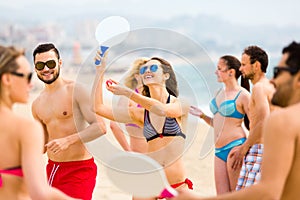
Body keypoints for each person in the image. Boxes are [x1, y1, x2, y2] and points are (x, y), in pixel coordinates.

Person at [167, 41, 300, 200]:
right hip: (222, 149)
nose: (274, 80)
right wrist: (203, 116)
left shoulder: (258, 98)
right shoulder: (286, 118)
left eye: (278, 71)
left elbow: (268, 191)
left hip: (239, 146)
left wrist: (245, 147)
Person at [92, 50, 193, 199]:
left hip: (177, 185)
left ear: (166, 75)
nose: (147, 71)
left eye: (153, 68)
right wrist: (100, 72)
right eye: (143, 69)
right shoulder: (140, 113)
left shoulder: (181, 104)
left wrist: (129, 93)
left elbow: (161, 110)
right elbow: (98, 108)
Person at [0, 45, 77, 199]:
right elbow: (40, 193)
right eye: (27, 76)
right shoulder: (25, 129)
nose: (31, 83)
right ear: (7, 79)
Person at [31, 43, 106, 200]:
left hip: (80, 170)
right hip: (52, 169)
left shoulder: (76, 90)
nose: (46, 69)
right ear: (35, 68)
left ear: (60, 63)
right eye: (40, 65)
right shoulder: (37, 104)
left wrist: (68, 140)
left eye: (50, 63)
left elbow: (100, 127)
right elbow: (41, 145)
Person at [189, 55, 250, 194]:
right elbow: (218, 124)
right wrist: (203, 116)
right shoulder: (219, 93)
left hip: (235, 147)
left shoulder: (243, 95)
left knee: (237, 194)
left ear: (231, 72)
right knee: (221, 195)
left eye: (219, 69)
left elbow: (257, 123)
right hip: (218, 150)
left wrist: (244, 148)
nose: (216, 72)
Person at [230, 45, 276, 191]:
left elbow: (264, 120)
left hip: (259, 149)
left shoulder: (259, 88)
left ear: (256, 66)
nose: (241, 69)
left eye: (244, 64)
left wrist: (245, 147)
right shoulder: (271, 86)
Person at [109, 57, 149, 153]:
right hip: (142, 156)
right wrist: (128, 151)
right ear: (136, 76)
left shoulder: (156, 96)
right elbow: (114, 125)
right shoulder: (128, 97)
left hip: (158, 158)